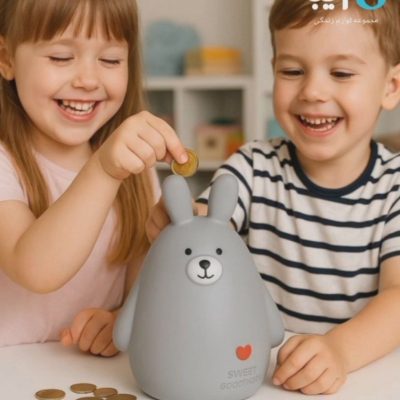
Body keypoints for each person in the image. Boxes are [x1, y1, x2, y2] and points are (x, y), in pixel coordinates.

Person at [146, 0, 400, 394]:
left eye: (341, 73)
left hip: (360, 377)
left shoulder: (395, 186)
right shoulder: (253, 166)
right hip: (254, 373)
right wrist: (179, 222)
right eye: (292, 71)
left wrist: (340, 350)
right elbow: (209, 223)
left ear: (390, 87)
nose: (312, 91)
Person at [0, 0, 188, 356]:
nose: (88, 80)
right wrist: (103, 170)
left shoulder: (133, 168)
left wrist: (120, 318)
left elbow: (143, 290)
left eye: (110, 60)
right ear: (6, 58)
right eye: (61, 57)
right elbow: (36, 269)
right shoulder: (6, 163)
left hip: (86, 371)